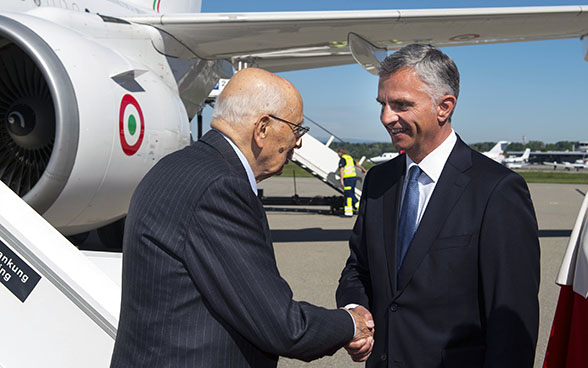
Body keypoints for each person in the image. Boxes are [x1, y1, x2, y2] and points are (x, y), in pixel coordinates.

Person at [111, 68, 374, 367]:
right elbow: (282, 326)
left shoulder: (175, 167)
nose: (298, 143)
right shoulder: (220, 187)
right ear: (262, 128)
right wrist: (351, 323)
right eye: (296, 130)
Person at [336, 44, 540, 367]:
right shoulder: (378, 182)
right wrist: (353, 310)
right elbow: (358, 269)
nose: (386, 117)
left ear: (444, 107)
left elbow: (512, 325)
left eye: (401, 104)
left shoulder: (497, 191)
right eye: (383, 104)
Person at [338, 148, 366, 216]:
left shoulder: (343, 159)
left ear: (340, 153)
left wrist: (341, 179)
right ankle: (348, 212)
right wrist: (363, 169)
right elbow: (356, 164)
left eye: (338, 153)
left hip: (347, 179)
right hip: (353, 178)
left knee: (348, 194)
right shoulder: (349, 158)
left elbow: (342, 169)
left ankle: (358, 204)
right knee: (350, 194)